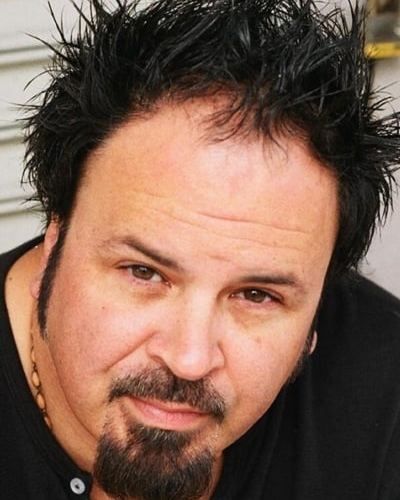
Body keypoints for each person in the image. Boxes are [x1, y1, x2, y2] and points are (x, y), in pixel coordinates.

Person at [1, 0, 400, 498]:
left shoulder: (386, 392)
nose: (189, 360)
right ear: (54, 246)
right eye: (143, 272)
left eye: (256, 295)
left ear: (317, 312)